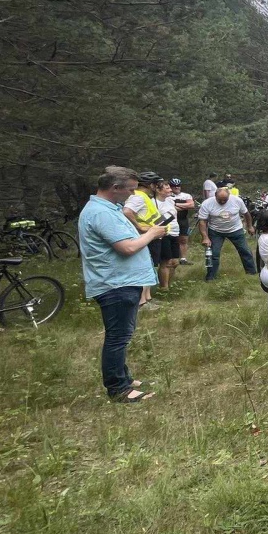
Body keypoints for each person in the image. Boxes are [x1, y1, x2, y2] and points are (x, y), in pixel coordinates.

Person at [79, 166, 166, 402]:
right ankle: (119, 389)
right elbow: (126, 247)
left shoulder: (110, 209)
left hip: (122, 282)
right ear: (115, 188)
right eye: (129, 190)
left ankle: (123, 377)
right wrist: (152, 234)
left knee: (122, 334)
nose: (132, 195)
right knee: (118, 337)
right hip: (115, 284)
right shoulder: (101, 213)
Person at [122, 171, 163, 308]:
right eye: (156, 185)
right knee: (146, 268)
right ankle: (142, 302)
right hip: (145, 237)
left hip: (152, 236)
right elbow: (127, 211)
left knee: (151, 267)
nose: (157, 187)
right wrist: (139, 227)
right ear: (151, 185)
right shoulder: (138, 197)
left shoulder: (143, 196)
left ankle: (147, 298)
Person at [198, 187, 256, 281]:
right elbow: (202, 222)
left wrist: (250, 226)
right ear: (215, 196)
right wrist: (205, 237)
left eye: (225, 200)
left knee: (245, 251)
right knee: (214, 254)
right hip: (216, 231)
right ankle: (211, 277)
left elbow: (246, 214)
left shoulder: (237, 200)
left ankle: (251, 273)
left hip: (236, 229)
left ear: (229, 196)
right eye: (219, 200)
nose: (222, 202)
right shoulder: (207, 203)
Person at [155, 181, 181, 291]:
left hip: (175, 232)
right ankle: (164, 288)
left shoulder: (170, 200)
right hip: (164, 234)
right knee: (166, 261)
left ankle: (169, 285)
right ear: (158, 190)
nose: (170, 190)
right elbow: (154, 220)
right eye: (167, 188)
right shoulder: (154, 202)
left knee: (175, 262)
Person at [170, 178, 197, 264]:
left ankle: (183, 259)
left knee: (184, 239)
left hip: (183, 220)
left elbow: (191, 205)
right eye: (174, 186)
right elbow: (170, 208)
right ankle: (172, 257)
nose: (176, 187)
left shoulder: (186, 195)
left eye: (178, 186)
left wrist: (176, 204)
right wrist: (184, 206)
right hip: (171, 220)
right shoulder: (168, 196)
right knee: (173, 239)